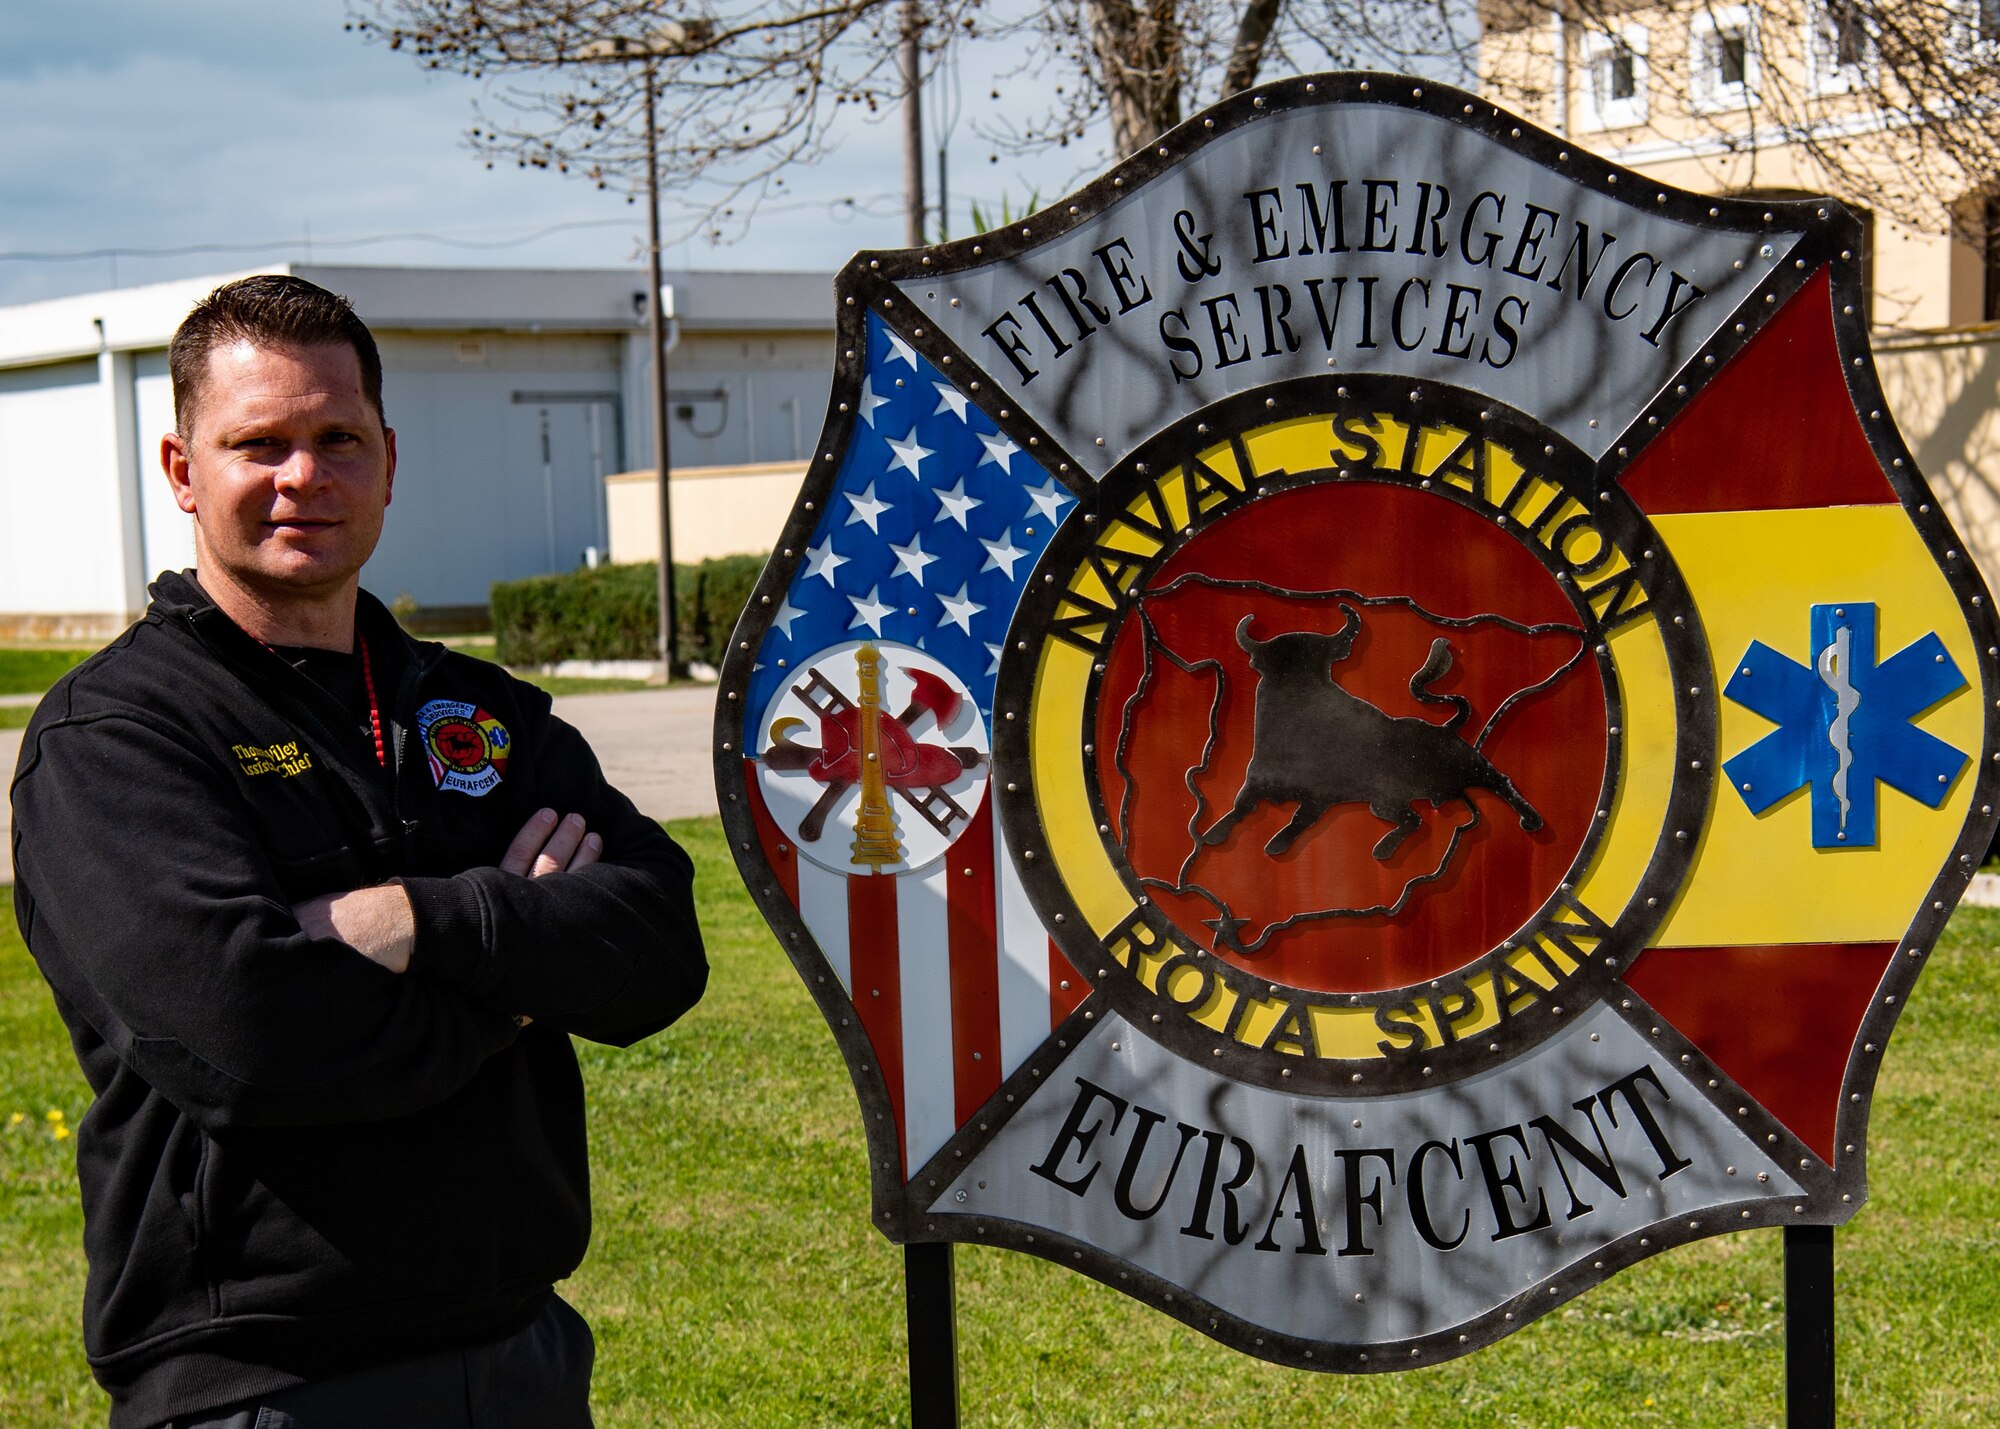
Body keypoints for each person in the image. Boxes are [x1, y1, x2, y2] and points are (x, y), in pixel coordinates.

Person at [9, 274, 707, 1428]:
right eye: (259, 443)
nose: (303, 476)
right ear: (184, 470)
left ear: (387, 456)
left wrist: (422, 922)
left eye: (337, 438)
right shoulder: (118, 736)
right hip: (263, 1381)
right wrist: (522, 975)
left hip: (520, 1351)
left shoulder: (475, 710)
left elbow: (658, 946)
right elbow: (245, 1035)